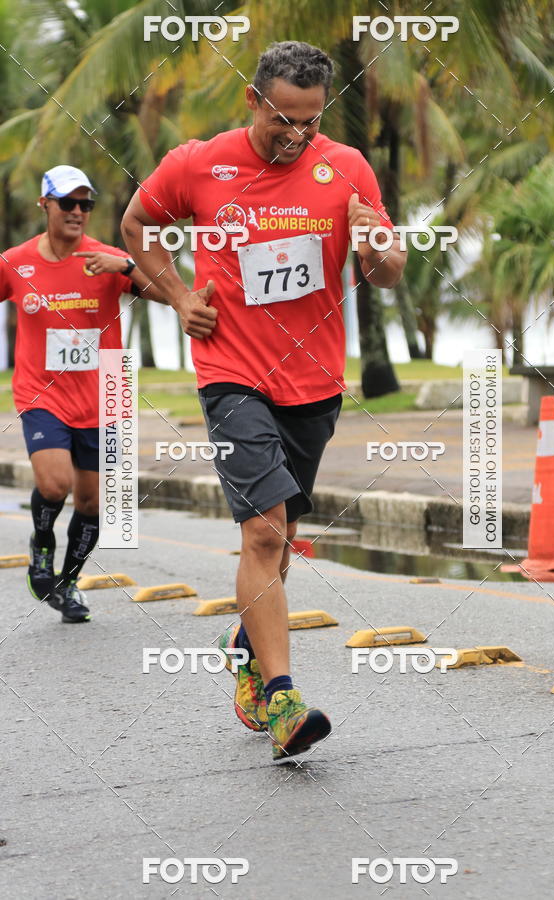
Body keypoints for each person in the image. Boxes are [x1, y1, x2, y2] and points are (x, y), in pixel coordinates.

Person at [121, 41, 406, 759]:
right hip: (231, 373)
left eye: (311, 120)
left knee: (276, 546)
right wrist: (181, 297)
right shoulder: (198, 164)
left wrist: (377, 249)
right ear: (253, 101)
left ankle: (245, 644)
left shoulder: (346, 168)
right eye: (284, 118)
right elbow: (135, 229)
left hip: (313, 383)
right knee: (265, 534)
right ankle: (282, 701)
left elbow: (390, 272)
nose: (298, 134)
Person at [0, 165, 164, 623]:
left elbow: (170, 294)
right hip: (42, 392)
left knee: (93, 504)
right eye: (67, 203)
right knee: (55, 484)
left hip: (105, 391)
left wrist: (127, 266)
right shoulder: (16, 262)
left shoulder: (107, 259)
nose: (77, 212)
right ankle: (41, 546)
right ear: (45, 205)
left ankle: (69, 581)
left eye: (85, 204)